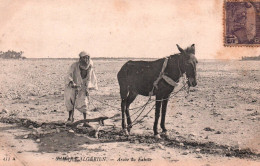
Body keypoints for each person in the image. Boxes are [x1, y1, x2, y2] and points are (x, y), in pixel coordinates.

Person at [64, 51, 98, 126]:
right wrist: (72, 83)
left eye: (87, 58)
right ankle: (70, 118)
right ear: (80, 59)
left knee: (84, 102)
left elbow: (90, 77)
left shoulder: (90, 66)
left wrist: (88, 88)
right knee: (70, 100)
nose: (86, 60)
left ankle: (85, 121)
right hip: (72, 86)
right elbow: (68, 75)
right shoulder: (74, 65)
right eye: (84, 58)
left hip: (83, 86)